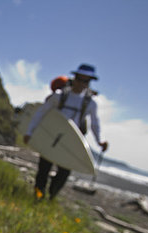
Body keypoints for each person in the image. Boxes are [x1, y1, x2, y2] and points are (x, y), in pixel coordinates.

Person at [23, 63, 108, 200]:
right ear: (74, 78)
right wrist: (29, 132)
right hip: (51, 137)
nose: (81, 83)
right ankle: (38, 197)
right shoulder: (59, 96)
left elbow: (95, 124)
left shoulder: (90, 103)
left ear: (89, 83)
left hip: (70, 142)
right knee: (43, 169)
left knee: (64, 173)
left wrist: (100, 141)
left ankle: (51, 197)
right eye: (79, 79)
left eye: (85, 81)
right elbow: (41, 113)